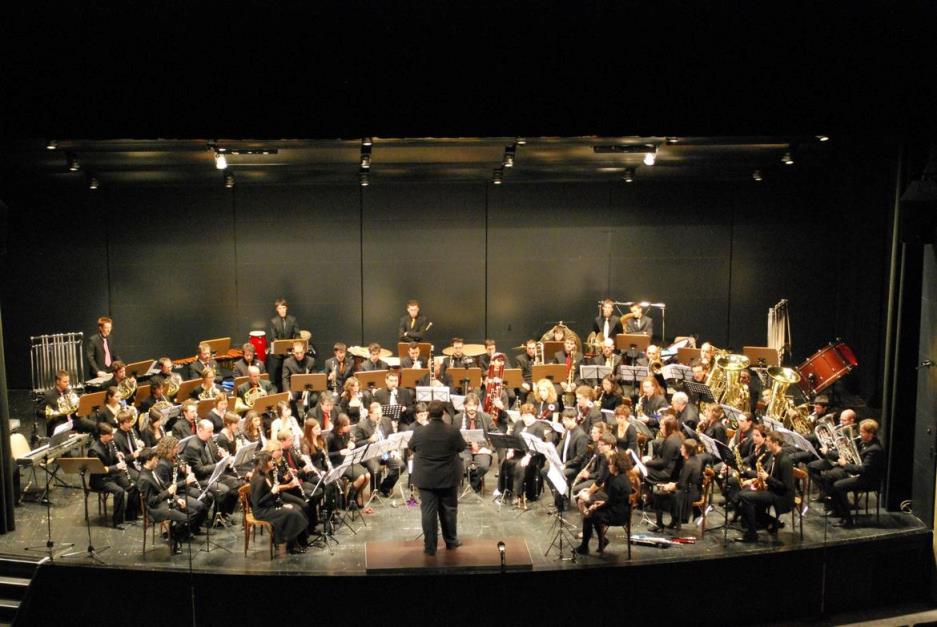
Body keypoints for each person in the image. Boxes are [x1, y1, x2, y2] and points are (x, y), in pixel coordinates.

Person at [408, 400, 466, 555]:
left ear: (428, 414)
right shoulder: (452, 431)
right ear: (443, 413)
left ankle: (430, 547)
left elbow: (411, 446)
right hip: (448, 476)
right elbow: (461, 447)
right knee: (449, 510)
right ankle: (451, 542)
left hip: (426, 478)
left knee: (428, 511)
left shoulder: (419, 432)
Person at [822, 419, 884, 528]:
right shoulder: (864, 443)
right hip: (858, 473)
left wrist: (845, 464)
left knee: (838, 485)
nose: (860, 434)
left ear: (870, 434)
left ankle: (848, 519)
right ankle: (838, 510)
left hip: (869, 480)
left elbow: (863, 470)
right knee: (830, 477)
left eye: (862, 432)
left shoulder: (875, 449)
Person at [136, 448, 198, 554]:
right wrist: (168, 492)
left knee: (193, 512)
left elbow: (163, 488)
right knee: (184, 519)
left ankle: (173, 534)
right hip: (154, 510)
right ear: (148, 460)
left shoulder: (152, 472)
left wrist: (177, 499)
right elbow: (151, 501)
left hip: (164, 502)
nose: (157, 462)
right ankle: (174, 541)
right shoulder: (144, 479)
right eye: (155, 459)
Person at [737, 431, 795, 542]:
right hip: (773, 490)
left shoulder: (784, 460)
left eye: (768, 441)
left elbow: (785, 487)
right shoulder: (774, 456)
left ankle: (752, 534)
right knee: (743, 493)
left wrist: (767, 478)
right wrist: (756, 479)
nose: (766, 443)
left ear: (776, 443)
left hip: (781, 496)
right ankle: (768, 522)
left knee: (746, 497)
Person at [250, 451, 309, 556]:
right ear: (264, 463)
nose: (272, 462)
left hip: (269, 506)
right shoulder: (259, 479)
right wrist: (272, 492)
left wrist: (281, 503)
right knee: (292, 513)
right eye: (270, 460)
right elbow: (257, 502)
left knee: (296, 508)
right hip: (261, 511)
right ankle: (291, 546)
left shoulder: (266, 475)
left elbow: (271, 496)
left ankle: (294, 542)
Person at [182, 419, 240, 523]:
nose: (212, 434)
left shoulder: (208, 440)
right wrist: (219, 465)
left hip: (212, 474)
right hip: (200, 479)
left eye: (212, 431)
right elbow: (200, 470)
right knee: (224, 490)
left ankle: (224, 513)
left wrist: (222, 456)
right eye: (209, 431)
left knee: (236, 483)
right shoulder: (193, 446)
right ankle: (215, 519)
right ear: (199, 430)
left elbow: (213, 458)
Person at [576, 452, 633, 554]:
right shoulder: (623, 476)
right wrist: (599, 504)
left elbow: (610, 502)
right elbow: (612, 500)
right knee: (594, 514)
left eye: (611, 464)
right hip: (621, 509)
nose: (609, 465)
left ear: (617, 466)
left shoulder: (616, 483)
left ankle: (584, 547)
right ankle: (602, 541)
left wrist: (596, 506)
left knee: (588, 518)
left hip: (617, 515)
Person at [89, 423, 139, 529]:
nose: (112, 437)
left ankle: (131, 516)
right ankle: (118, 522)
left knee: (132, 486)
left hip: (112, 475)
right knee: (119, 491)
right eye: (110, 435)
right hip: (100, 479)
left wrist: (117, 455)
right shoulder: (94, 451)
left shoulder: (110, 442)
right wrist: (117, 467)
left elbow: (112, 457)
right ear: (102, 435)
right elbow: (100, 470)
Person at [353, 402, 404, 498]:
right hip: (370, 454)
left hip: (386, 451)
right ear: (370, 414)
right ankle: (374, 491)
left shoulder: (387, 421)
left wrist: (394, 450)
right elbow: (357, 444)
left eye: (380, 413)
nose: (379, 416)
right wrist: (369, 440)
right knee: (376, 470)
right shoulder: (361, 425)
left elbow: (392, 438)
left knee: (400, 465)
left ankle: (384, 487)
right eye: (376, 413)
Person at [650, 438, 702, 531]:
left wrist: (669, 487)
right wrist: (673, 484)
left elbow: (681, 485)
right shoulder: (697, 459)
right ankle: (673, 521)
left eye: (682, 448)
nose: (680, 449)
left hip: (688, 494)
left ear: (687, 450)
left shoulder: (689, 464)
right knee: (665, 490)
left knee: (658, 494)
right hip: (694, 491)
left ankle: (659, 524)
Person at [453, 393, 497, 493]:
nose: (472, 408)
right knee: (461, 465)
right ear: (465, 406)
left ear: (477, 406)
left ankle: (473, 480)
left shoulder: (486, 417)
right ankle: (472, 479)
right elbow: (453, 436)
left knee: (484, 466)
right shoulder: (458, 419)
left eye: (474, 405)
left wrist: (490, 450)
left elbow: (495, 434)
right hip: (464, 448)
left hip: (481, 448)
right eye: (469, 405)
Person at [326, 414, 370, 511]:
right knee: (361, 477)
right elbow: (326, 454)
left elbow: (347, 445)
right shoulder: (331, 437)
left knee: (367, 476)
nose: (348, 427)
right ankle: (350, 500)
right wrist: (339, 452)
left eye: (348, 425)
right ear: (339, 426)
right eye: (345, 425)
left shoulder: (346, 433)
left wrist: (351, 445)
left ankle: (356, 495)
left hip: (348, 460)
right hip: (338, 464)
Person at [41, 369, 94, 436]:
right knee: (61, 435)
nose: (68, 383)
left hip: (74, 419)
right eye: (65, 382)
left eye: (68, 381)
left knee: (95, 427)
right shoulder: (48, 395)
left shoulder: (71, 391)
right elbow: (39, 411)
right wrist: (52, 413)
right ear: (58, 381)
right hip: (59, 422)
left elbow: (76, 407)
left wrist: (79, 407)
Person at [266, 297, 302, 392]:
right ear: (277, 310)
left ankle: (291, 388)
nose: (282, 310)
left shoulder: (292, 320)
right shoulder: (273, 321)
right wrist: (280, 346)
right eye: (279, 308)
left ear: (286, 308)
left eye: (283, 307)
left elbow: (297, 334)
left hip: (290, 351)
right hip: (279, 352)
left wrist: (296, 344)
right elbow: (273, 338)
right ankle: (276, 388)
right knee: (273, 359)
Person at [644, 416, 684, 484]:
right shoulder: (674, 436)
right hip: (666, 470)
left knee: (637, 470)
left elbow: (663, 463)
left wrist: (647, 462)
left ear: (669, 427)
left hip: (665, 474)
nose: (660, 427)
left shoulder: (672, 441)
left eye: (662, 425)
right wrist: (651, 459)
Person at [282, 341, 317, 414]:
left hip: (308, 388)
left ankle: (308, 415)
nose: (299, 355)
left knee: (314, 398)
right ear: (293, 352)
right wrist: (287, 391)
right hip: (294, 388)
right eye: (297, 353)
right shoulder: (287, 362)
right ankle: (296, 418)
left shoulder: (311, 361)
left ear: (304, 351)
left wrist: (308, 390)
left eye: (301, 352)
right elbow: (285, 378)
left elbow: (314, 377)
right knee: (290, 399)